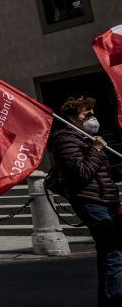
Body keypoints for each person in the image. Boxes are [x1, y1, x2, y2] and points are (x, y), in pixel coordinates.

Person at [50, 96, 122, 305]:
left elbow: (103, 174)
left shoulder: (87, 140)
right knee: (113, 253)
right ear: (73, 118)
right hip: (91, 202)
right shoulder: (65, 139)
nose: (93, 118)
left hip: (106, 200)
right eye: (87, 114)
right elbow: (82, 173)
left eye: (93, 113)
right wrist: (97, 150)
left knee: (110, 254)